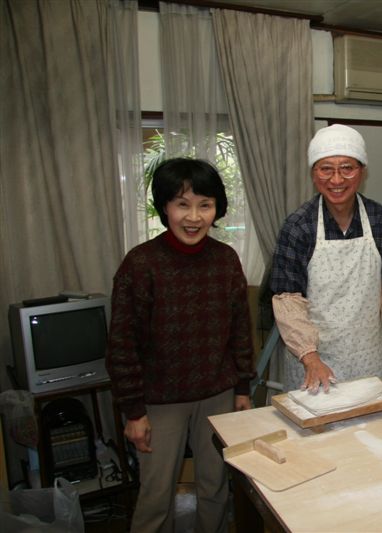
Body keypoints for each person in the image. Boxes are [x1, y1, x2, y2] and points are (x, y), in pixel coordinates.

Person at [106, 158, 255, 533]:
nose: (194, 217)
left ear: (217, 209)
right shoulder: (141, 264)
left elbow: (240, 329)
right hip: (159, 402)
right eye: (182, 204)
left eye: (205, 205)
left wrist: (242, 387)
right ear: (164, 207)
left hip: (217, 394)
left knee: (215, 488)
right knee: (156, 496)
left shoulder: (225, 260)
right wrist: (133, 411)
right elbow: (122, 344)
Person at [270, 124, 382, 394]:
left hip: (367, 358)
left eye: (347, 168)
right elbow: (287, 301)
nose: (336, 180)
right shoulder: (298, 227)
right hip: (311, 363)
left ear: (362, 171)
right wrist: (311, 358)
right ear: (313, 173)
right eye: (326, 169)